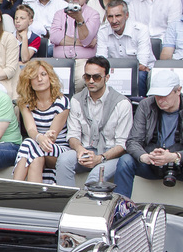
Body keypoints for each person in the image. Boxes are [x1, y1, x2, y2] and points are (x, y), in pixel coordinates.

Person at [113, 68, 183, 214]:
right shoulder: (146, 105)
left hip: (181, 163)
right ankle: (120, 214)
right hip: (152, 161)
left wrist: (174, 156)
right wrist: (145, 157)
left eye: (164, 95)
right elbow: (133, 141)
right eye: (156, 95)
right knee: (125, 160)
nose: (160, 100)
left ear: (178, 90)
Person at [56, 55, 133, 187]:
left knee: (96, 174)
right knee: (64, 160)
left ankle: (86, 206)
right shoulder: (76, 100)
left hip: (111, 155)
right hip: (86, 150)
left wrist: (100, 158)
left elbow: (122, 144)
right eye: (87, 77)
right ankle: (67, 202)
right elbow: (73, 135)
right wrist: (80, 149)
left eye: (96, 77)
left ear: (106, 78)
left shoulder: (122, 103)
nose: (91, 81)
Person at [12, 60, 70, 182]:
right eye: (34, 77)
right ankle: (34, 197)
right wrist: (39, 138)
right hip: (37, 145)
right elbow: (31, 129)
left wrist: (44, 138)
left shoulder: (62, 102)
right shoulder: (24, 103)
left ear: (50, 77)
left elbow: (53, 135)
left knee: (29, 144)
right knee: (34, 153)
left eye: (43, 74)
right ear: (28, 82)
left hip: (58, 149)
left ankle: (13, 186)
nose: (40, 79)